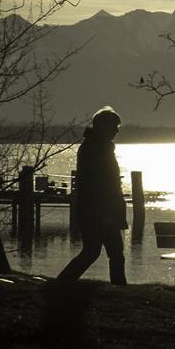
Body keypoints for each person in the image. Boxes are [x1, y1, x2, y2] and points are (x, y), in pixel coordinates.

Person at [56, 107, 129, 285]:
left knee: (92, 252)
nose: (117, 130)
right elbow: (98, 184)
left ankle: (63, 281)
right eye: (114, 126)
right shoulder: (97, 149)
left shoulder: (94, 147)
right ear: (103, 126)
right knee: (114, 253)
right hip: (100, 212)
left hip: (93, 211)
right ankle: (119, 287)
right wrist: (106, 213)